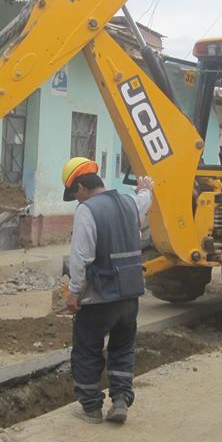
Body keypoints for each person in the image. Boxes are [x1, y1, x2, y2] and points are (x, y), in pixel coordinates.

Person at [62, 156, 153, 425]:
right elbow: (145, 199)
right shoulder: (129, 203)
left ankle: (91, 408)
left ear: (80, 187)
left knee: (87, 350)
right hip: (130, 295)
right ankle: (121, 400)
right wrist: (146, 188)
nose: (77, 200)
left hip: (99, 296)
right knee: (123, 348)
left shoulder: (87, 210)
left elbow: (81, 256)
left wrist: (74, 291)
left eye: (74, 194)